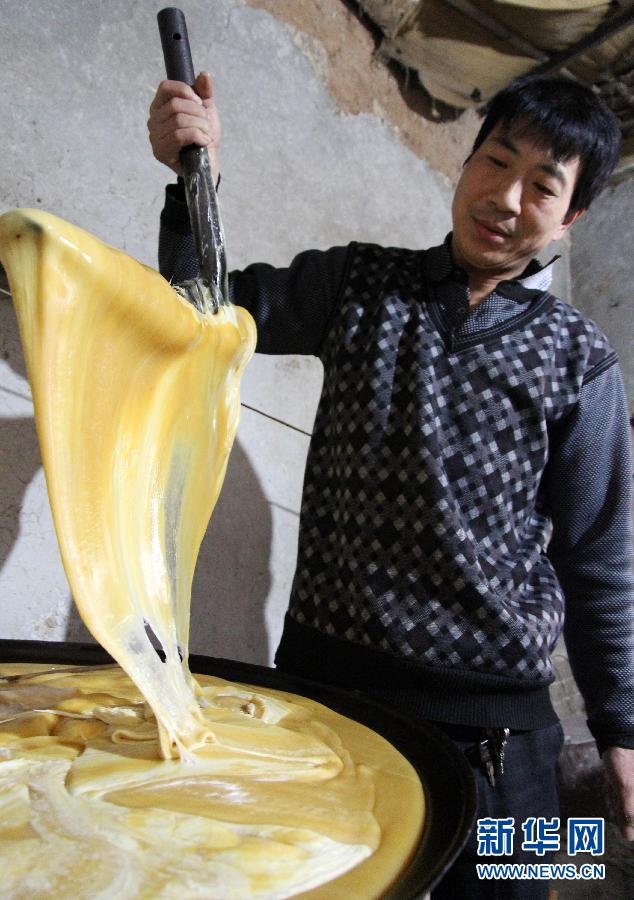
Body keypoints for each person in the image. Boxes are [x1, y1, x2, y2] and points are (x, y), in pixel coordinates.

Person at [148, 71, 634, 896]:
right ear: (468, 162)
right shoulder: (358, 284)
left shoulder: (583, 359)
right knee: (302, 886)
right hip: (324, 700)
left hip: (504, 734)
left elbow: (600, 556)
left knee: (538, 876)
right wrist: (191, 176)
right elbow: (198, 315)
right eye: (496, 161)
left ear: (571, 218)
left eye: (543, 187)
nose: (506, 198)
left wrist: (623, 731)